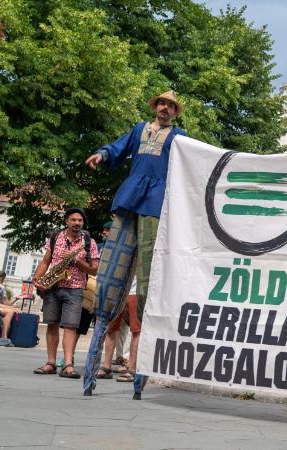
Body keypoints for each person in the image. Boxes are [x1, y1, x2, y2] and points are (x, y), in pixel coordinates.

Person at [83, 90, 187, 397]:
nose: (165, 108)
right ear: (155, 107)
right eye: (161, 104)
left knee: (147, 278)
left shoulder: (179, 136)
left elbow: (192, 163)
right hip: (130, 201)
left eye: (170, 105)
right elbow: (119, 147)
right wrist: (102, 154)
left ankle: (139, 374)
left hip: (155, 204)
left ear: (175, 112)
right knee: (111, 275)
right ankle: (92, 369)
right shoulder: (140, 128)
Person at [31, 208, 100, 378]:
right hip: (52, 286)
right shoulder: (55, 238)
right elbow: (46, 261)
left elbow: (94, 270)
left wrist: (75, 259)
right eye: (73, 220)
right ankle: (51, 362)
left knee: (71, 326)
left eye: (80, 220)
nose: (77, 223)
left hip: (75, 288)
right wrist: (37, 278)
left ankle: (68, 364)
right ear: (66, 221)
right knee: (52, 323)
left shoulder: (89, 242)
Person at [97, 278, 140, 382]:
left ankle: (132, 369)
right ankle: (107, 367)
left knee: (136, 330)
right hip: (116, 290)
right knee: (111, 328)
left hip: (136, 290)